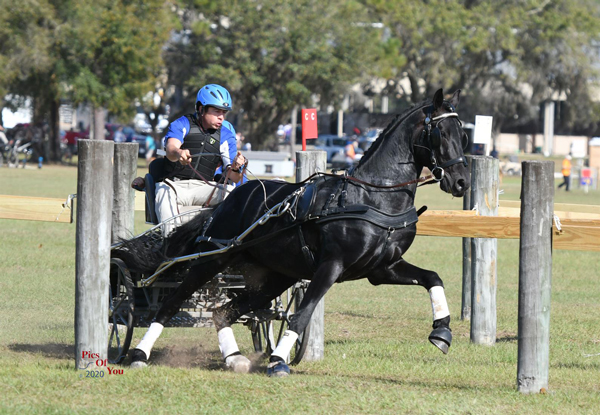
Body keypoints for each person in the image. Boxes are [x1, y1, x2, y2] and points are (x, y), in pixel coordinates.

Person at [153, 83, 246, 223]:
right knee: (162, 192)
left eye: (224, 112)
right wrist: (179, 153)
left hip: (205, 187)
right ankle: (170, 240)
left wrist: (236, 167)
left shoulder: (226, 135)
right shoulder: (182, 124)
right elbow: (171, 149)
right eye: (216, 111)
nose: (221, 117)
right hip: (174, 186)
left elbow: (234, 177)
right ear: (201, 109)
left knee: (232, 194)